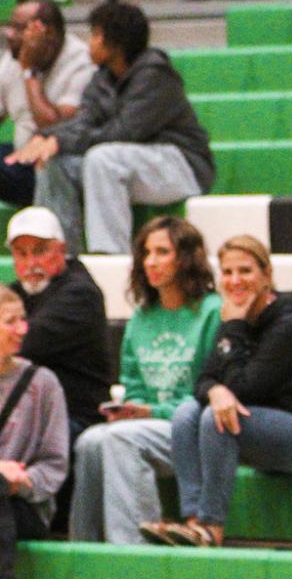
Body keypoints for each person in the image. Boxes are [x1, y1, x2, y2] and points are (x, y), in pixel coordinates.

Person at [145, 236, 292, 547]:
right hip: (269, 427)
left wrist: (234, 329)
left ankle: (212, 527)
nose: (235, 281)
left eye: (245, 271)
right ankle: (192, 520)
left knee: (217, 420)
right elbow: (203, 380)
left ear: (267, 275)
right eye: (227, 273)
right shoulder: (235, 318)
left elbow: (246, 388)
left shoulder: (290, 326)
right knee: (187, 412)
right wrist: (215, 390)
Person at [9, 0, 216, 256]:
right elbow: (83, 121)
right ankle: (62, 258)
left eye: (95, 35)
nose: (89, 43)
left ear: (115, 42)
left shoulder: (155, 75)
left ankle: (109, 257)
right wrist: (47, 137)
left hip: (181, 165)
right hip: (132, 166)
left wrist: (60, 140)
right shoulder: (102, 78)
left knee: (102, 158)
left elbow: (124, 132)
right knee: (54, 162)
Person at [69, 217, 221, 546]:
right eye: (146, 253)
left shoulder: (211, 311)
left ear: (185, 258)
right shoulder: (142, 316)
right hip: (151, 424)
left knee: (120, 440)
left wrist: (152, 412)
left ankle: (133, 548)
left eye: (162, 252)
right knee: (89, 441)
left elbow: (210, 391)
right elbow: (134, 384)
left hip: (190, 428)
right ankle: (85, 549)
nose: (150, 261)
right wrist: (129, 409)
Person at [7, 206, 111, 456]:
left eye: (40, 251)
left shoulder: (80, 294)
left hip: (74, 416)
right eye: (21, 254)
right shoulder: (17, 292)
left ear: (62, 249)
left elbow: (26, 342)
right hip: (26, 412)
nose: (31, 263)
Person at [0, 284, 69, 579]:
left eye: (24, 319)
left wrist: (21, 482)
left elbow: (55, 463)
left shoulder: (42, 383)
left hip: (26, 505)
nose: (22, 330)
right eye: (10, 321)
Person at [0, 0, 93, 208]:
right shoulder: (13, 56)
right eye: (10, 25)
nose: (9, 34)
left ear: (47, 33)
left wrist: (30, 71)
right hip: (20, 155)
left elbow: (52, 126)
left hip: (56, 166)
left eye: (19, 28)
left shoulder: (81, 63)